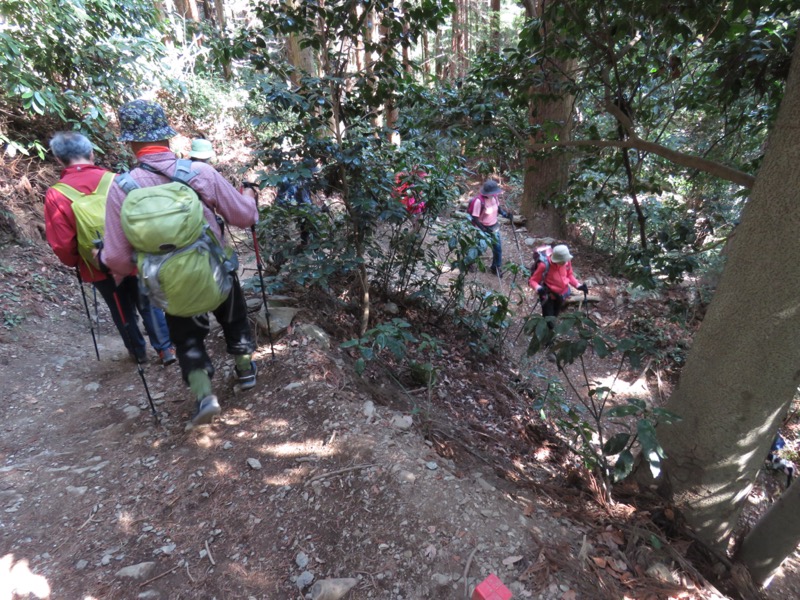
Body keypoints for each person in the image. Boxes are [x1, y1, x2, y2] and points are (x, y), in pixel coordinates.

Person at [98, 100, 259, 426]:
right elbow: (244, 216)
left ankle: (204, 395)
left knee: (186, 338)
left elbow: (115, 258)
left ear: (130, 142)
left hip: (169, 284)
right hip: (215, 273)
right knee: (234, 318)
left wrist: (115, 261)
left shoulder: (122, 188)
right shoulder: (199, 172)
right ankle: (245, 370)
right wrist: (252, 198)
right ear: (168, 137)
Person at [44, 131, 177, 366]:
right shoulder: (117, 179)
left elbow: (62, 244)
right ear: (91, 153)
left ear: (58, 160)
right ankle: (165, 349)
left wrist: (79, 260)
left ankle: (137, 352)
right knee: (148, 301)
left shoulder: (57, 194)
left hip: (97, 264)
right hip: (134, 256)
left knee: (120, 307)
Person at [528, 244, 588, 327]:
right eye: (563, 261)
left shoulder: (566, 262)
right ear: (557, 259)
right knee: (549, 320)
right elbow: (532, 280)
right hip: (547, 296)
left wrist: (578, 285)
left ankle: (549, 334)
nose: (566, 262)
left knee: (555, 316)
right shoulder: (544, 265)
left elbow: (569, 275)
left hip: (561, 295)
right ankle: (546, 337)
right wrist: (538, 288)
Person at [468, 179, 511, 277]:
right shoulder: (479, 201)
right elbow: (475, 217)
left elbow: (498, 209)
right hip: (482, 228)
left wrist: (505, 215)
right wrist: (483, 229)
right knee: (480, 248)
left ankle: (496, 267)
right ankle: (469, 261)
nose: (494, 194)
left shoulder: (495, 198)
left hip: (494, 227)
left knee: (497, 248)